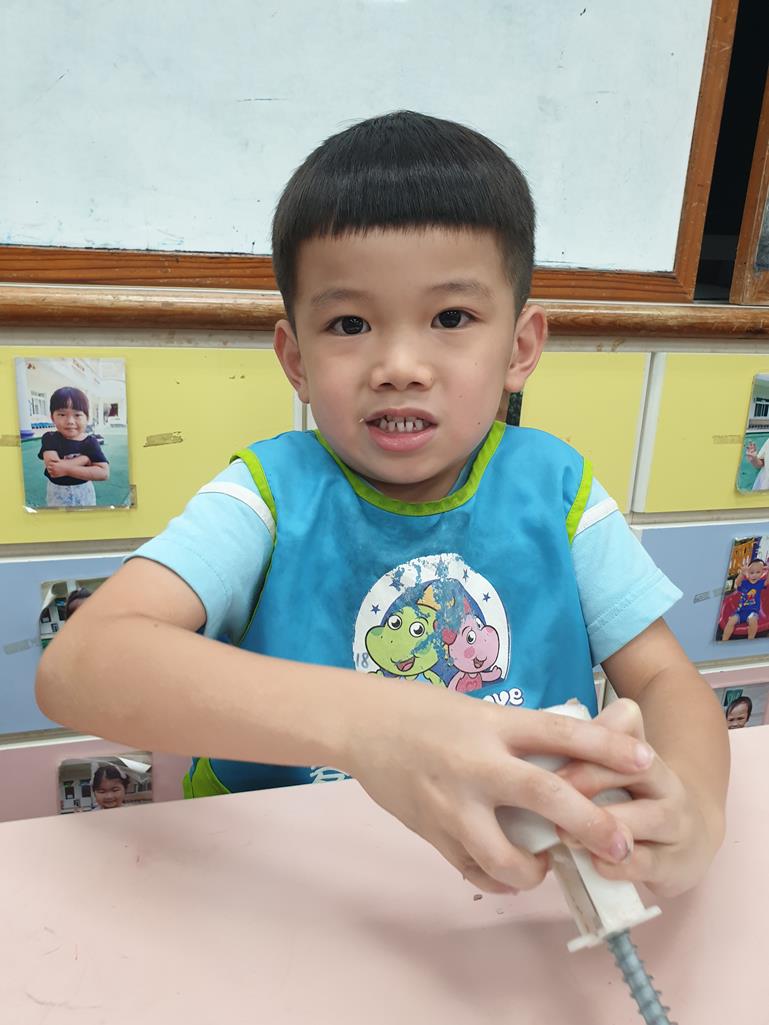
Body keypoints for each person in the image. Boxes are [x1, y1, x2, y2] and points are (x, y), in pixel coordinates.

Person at [37, 111, 729, 901]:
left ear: (520, 347)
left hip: (521, 894)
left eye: (450, 318)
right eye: (350, 323)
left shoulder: (559, 490)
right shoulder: (265, 496)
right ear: (295, 359)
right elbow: (79, 664)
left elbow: (665, 679)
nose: (399, 365)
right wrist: (377, 723)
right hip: (286, 887)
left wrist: (695, 812)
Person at [38, 386, 109, 508]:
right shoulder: (50, 438)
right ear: (52, 417)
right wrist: (84, 459)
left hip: (84, 493)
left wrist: (66, 469)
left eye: (77, 415)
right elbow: (54, 468)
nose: (70, 421)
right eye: (62, 414)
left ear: (87, 418)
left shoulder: (90, 442)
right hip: (57, 494)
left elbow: (104, 473)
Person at [721, 558, 768, 641]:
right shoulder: (744, 583)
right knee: (731, 621)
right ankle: (724, 640)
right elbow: (737, 583)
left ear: (762, 573)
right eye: (751, 572)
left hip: (752, 612)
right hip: (740, 611)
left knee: (753, 621)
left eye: (758, 572)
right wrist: (742, 573)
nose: (754, 575)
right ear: (748, 573)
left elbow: (767, 581)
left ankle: (750, 640)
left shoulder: (760, 583)